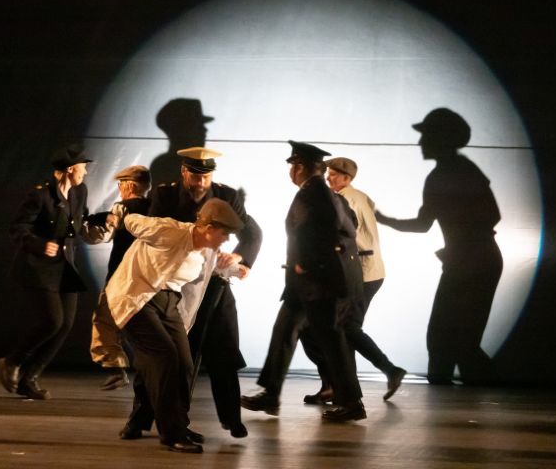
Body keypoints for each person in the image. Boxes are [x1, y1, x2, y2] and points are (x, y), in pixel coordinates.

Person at [106, 198, 244, 454]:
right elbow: (134, 221)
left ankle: (179, 424)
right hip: (135, 297)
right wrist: (119, 216)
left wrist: (237, 268)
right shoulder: (169, 230)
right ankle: (172, 434)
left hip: (168, 302)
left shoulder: (206, 250)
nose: (226, 239)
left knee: (184, 363)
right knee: (164, 358)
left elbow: (214, 271)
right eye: (224, 233)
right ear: (209, 228)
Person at [376, 108, 503, 385]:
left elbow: (423, 225)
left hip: (468, 261)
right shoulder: (463, 170)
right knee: (457, 339)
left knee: (446, 337)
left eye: (426, 135)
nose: (420, 142)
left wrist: (383, 220)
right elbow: (492, 215)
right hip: (476, 259)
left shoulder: (443, 176)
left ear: (440, 138)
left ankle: (456, 389)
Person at [241, 140, 366, 422]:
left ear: (299, 167)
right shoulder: (319, 192)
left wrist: (307, 264)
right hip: (305, 284)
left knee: (331, 340)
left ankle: (352, 403)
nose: (290, 172)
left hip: (318, 283)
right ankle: (270, 394)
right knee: (284, 330)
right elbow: (347, 226)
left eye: (292, 166)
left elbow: (330, 230)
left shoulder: (316, 193)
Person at [149, 147, 262, 438]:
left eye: (206, 177)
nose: (200, 183)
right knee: (175, 359)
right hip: (177, 287)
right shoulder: (165, 196)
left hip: (213, 285)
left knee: (224, 351)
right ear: (183, 172)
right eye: (195, 176)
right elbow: (154, 235)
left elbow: (251, 232)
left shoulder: (226, 196)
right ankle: (147, 418)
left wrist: (240, 258)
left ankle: (232, 419)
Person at [300, 157, 406, 403]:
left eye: (333, 174)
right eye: (328, 173)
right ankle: (338, 387)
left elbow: (340, 236)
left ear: (347, 178)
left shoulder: (342, 199)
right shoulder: (362, 196)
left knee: (345, 328)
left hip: (360, 273)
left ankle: (383, 373)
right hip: (370, 271)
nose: (328, 177)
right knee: (339, 328)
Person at [0, 142, 93, 400]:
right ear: (71, 169)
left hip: (66, 266)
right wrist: (40, 245)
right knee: (52, 321)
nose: (85, 171)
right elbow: (18, 228)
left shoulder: (80, 191)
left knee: (65, 325)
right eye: (83, 167)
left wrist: (103, 220)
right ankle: (12, 361)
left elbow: (82, 219)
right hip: (39, 267)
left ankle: (29, 378)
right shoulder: (40, 195)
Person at [84, 165, 152, 390]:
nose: (120, 189)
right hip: (147, 279)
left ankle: (115, 368)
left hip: (120, 277)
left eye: (121, 185)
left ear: (130, 186)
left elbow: (101, 236)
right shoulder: (156, 208)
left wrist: (93, 221)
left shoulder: (122, 208)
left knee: (104, 321)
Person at [150, 98, 214, 187]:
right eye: (198, 126)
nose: (205, 130)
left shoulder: (199, 164)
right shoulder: (165, 166)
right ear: (183, 130)